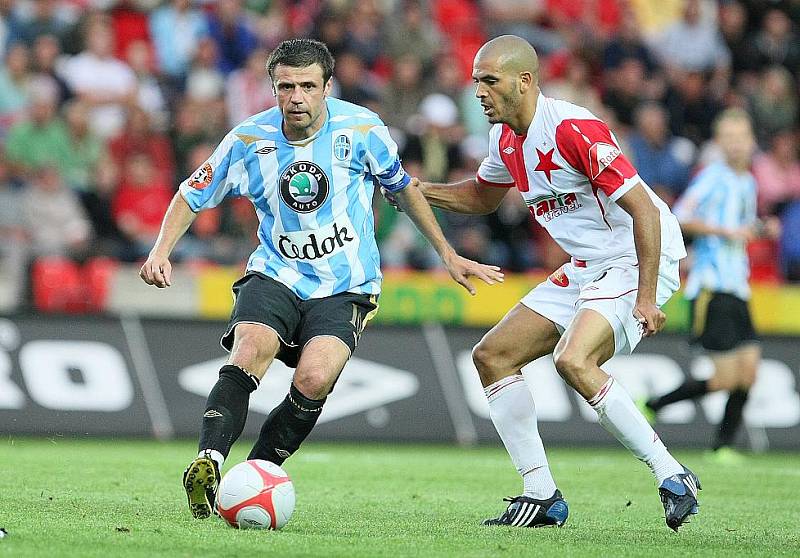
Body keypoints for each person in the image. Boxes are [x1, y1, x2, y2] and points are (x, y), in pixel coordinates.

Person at [139, 38, 502, 520]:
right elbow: (191, 194)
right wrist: (161, 249)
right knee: (250, 348)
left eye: (308, 86)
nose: (296, 97)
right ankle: (208, 460)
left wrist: (448, 253)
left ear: (327, 86)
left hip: (346, 283)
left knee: (314, 377)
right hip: (277, 271)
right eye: (286, 86)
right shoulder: (249, 139)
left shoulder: (364, 128)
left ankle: (257, 473)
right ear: (273, 88)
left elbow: (403, 191)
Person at [404, 35, 699, 530]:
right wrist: (417, 190)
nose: (478, 91)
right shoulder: (504, 139)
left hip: (638, 255)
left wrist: (646, 296)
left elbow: (644, 209)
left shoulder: (573, 129)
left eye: (489, 80)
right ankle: (541, 495)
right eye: (475, 79)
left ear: (524, 81)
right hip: (590, 263)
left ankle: (672, 474)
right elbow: (482, 197)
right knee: (492, 357)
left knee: (573, 359)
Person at [643, 109, 767, 463]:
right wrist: (725, 232)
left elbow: (742, 224)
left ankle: (722, 445)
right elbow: (681, 215)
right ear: (719, 142)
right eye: (728, 138)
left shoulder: (748, 181)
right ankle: (654, 404)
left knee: (749, 373)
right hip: (711, 287)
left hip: (737, 286)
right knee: (726, 378)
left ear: (751, 141)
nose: (735, 145)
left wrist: (760, 228)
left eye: (740, 137)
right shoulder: (714, 176)